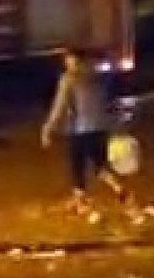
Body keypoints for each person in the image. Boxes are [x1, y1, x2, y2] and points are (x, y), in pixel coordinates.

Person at [41, 50, 126, 208]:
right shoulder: (97, 76)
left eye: (67, 59)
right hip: (101, 127)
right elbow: (110, 102)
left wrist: (48, 128)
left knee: (77, 164)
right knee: (100, 164)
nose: (66, 63)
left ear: (73, 60)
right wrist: (116, 125)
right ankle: (118, 187)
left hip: (80, 129)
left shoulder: (68, 79)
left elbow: (59, 106)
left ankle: (80, 199)